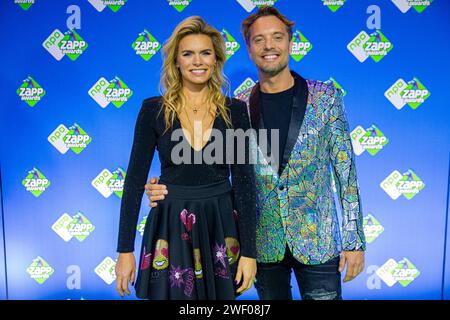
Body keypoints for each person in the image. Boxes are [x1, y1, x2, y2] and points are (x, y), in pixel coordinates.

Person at [145, 7, 366, 300]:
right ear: (249, 48)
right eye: (259, 39)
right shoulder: (236, 107)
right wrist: (162, 188)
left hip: (317, 241)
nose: (269, 46)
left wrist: (354, 240)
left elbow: (346, 174)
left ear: (290, 42)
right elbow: (214, 171)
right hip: (263, 245)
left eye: (277, 37)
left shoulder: (326, 98)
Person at [115, 16, 257, 300]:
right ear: (176, 62)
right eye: (188, 54)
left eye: (205, 53)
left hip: (220, 222)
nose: (197, 61)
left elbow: (244, 184)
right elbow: (133, 182)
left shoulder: (236, 110)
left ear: (216, 60)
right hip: (170, 223)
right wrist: (125, 250)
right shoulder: (153, 110)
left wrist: (250, 254)